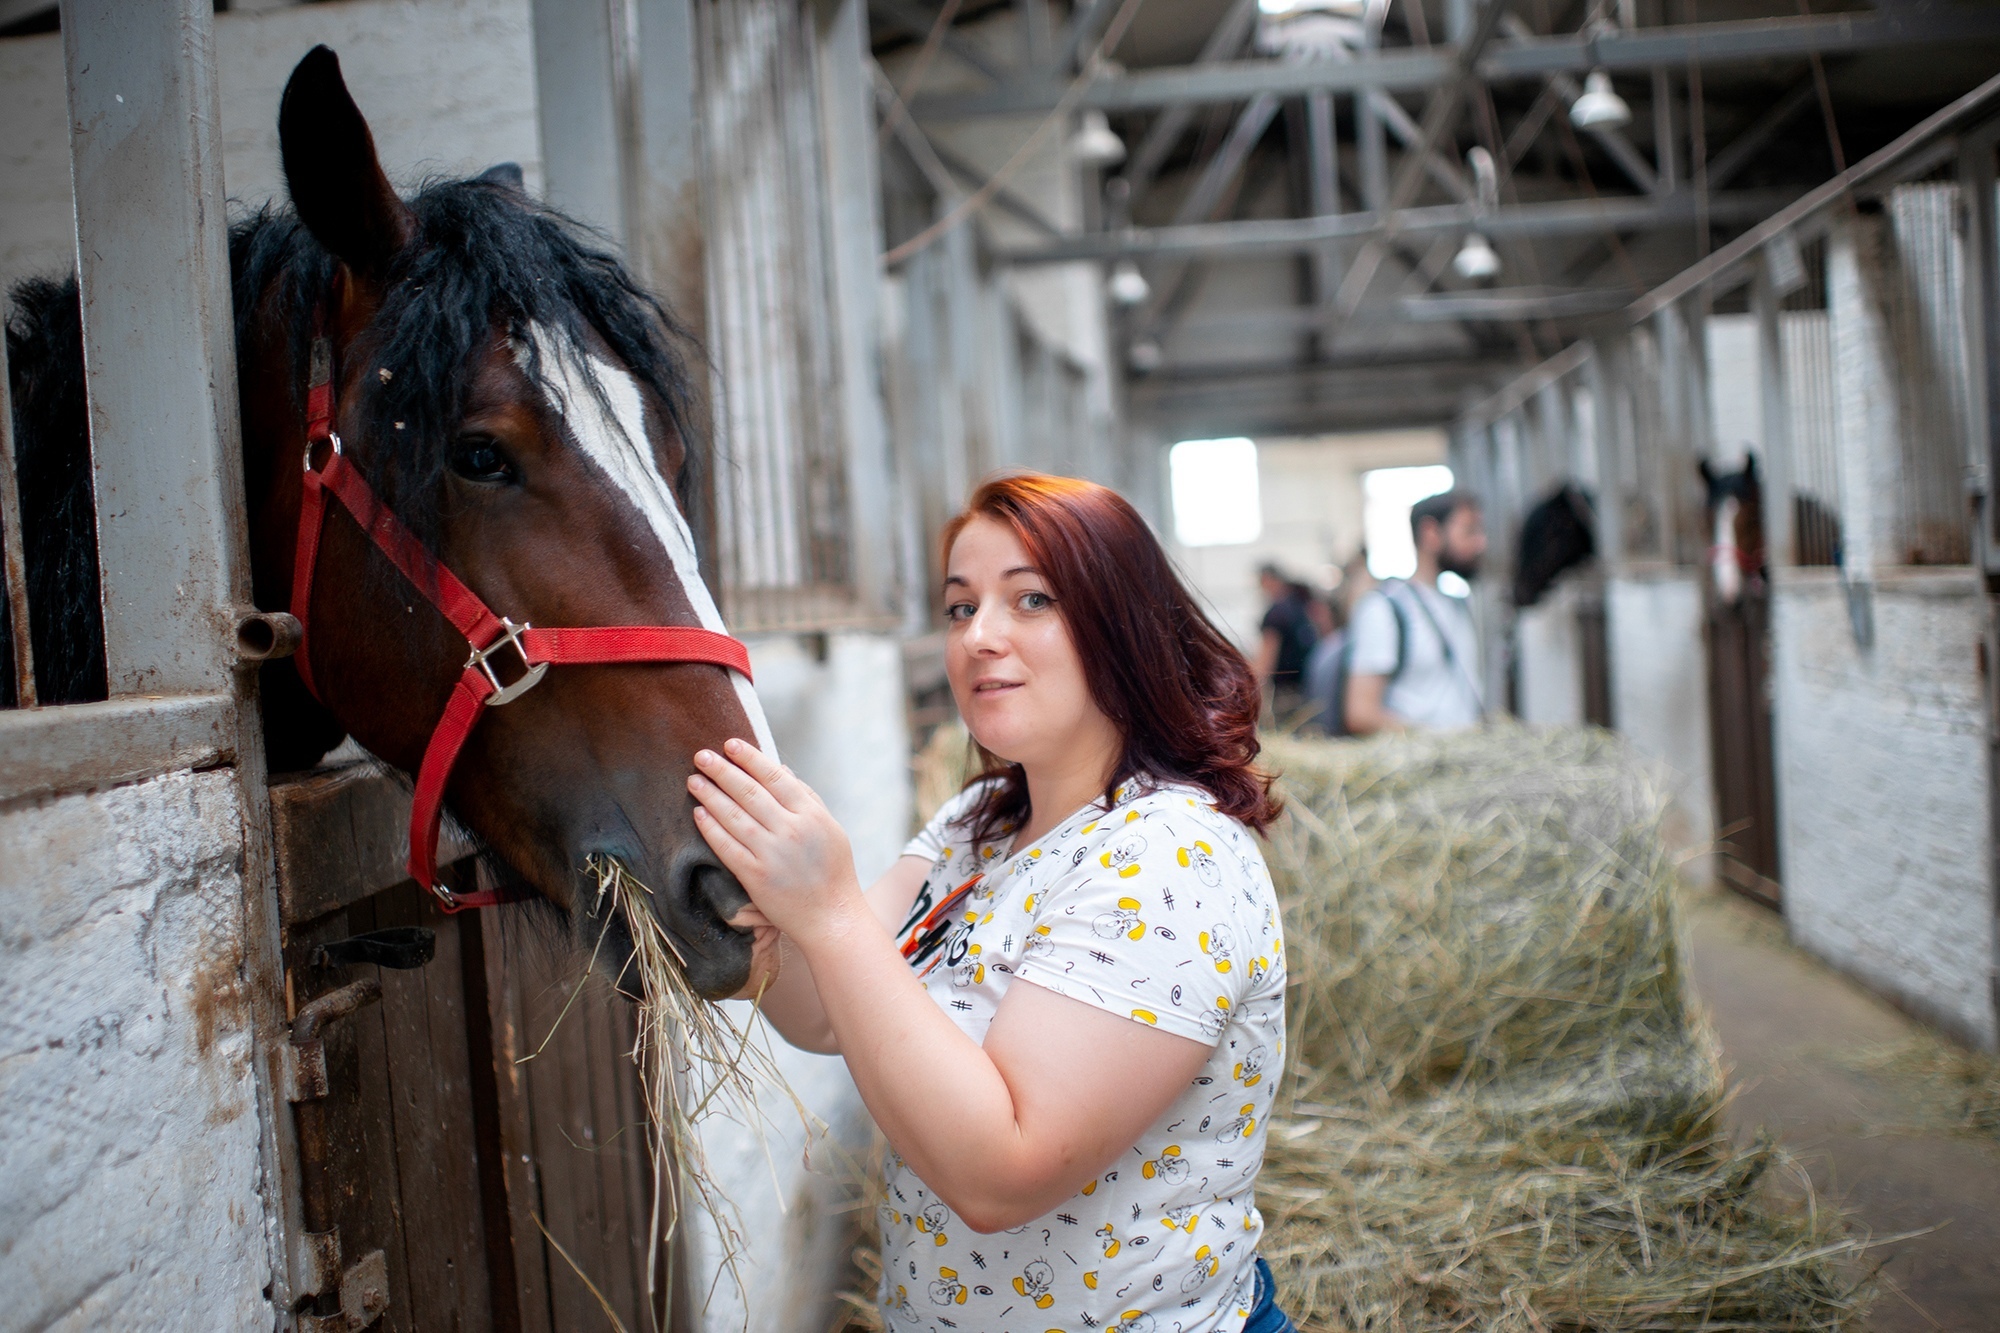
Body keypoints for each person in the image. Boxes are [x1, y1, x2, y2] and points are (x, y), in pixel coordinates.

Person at [684, 473, 1299, 1333]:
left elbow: (1001, 1172)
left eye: (1031, 600)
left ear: (1121, 626)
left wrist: (825, 908)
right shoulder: (977, 823)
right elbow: (827, 1009)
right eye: (959, 607)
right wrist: (750, 903)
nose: (981, 637)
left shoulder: (1170, 859)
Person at [1342, 489, 1487, 735]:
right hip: (1423, 765)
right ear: (1431, 533)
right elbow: (1361, 714)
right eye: (1469, 531)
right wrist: (1435, 741)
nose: (1481, 543)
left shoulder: (1460, 604)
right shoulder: (1384, 610)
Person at [1251, 564, 1317, 722]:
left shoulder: (1275, 615)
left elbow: (1264, 667)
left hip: (1285, 697)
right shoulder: (1300, 604)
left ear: (1268, 581)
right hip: (1307, 689)